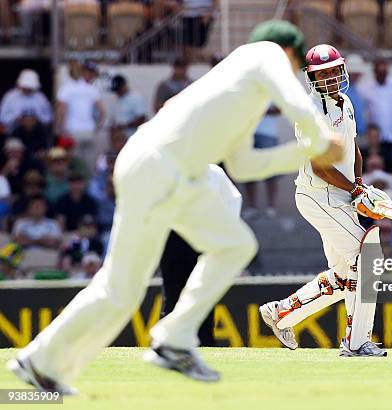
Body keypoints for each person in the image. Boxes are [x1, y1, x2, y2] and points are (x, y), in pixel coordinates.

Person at [8, 19, 343, 393]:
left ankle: (43, 361)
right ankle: (167, 340)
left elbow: (247, 165)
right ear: (290, 52)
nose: (293, 72)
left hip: (175, 177)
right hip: (157, 168)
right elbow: (294, 100)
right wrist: (319, 135)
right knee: (122, 289)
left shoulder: (241, 97)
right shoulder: (261, 53)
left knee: (225, 249)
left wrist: (311, 150)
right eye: (296, 64)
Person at [259, 44, 387, 357]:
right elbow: (321, 166)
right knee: (367, 257)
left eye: (333, 70)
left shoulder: (345, 102)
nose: (330, 77)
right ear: (312, 78)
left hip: (340, 195)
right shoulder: (309, 112)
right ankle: (356, 344)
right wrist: (355, 191)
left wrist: (358, 184)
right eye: (323, 73)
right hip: (318, 196)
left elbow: (353, 148)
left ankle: (282, 313)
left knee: (346, 275)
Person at [360, 58, 392, 172]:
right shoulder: (365, 88)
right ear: (374, 72)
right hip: (378, 138)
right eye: (379, 72)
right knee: (379, 167)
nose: (382, 74)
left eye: (384, 72)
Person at [56, 64, 105, 168]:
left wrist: (60, 129)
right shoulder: (91, 89)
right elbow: (102, 111)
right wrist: (98, 126)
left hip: (72, 130)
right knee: (89, 164)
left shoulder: (66, 89)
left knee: (76, 164)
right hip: (89, 130)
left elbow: (61, 110)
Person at [0, 69, 52, 134]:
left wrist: (36, 120)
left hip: (37, 134)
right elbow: (2, 117)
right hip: (14, 133)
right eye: (25, 87)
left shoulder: (41, 98)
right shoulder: (10, 97)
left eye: (29, 88)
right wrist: (17, 119)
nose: (27, 90)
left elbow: (48, 117)